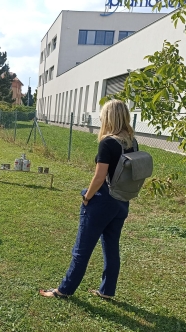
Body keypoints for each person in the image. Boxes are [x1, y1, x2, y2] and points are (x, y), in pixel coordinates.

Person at [40, 99, 135, 300]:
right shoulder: (132, 142)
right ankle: (107, 290)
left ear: (108, 118)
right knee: (111, 247)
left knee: (81, 250)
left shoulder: (108, 142)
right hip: (121, 202)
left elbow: (99, 177)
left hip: (102, 202)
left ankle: (63, 290)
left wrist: (86, 197)